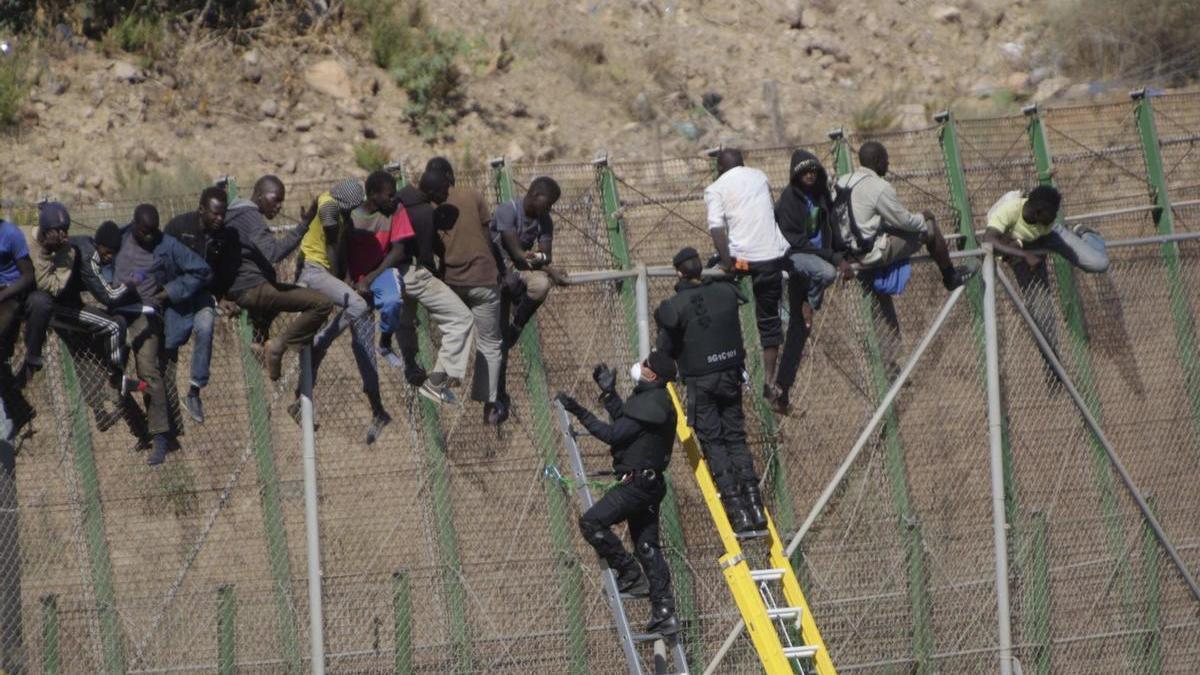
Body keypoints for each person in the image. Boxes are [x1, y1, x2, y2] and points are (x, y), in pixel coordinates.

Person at [556, 351, 681, 637]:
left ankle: (629, 572)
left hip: (636, 487)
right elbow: (627, 425)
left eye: (647, 365)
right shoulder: (654, 403)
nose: (642, 366)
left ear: (654, 376)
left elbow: (613, 434)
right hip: (650, 486)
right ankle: (665, 611)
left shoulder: (653, 404)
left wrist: (577, 410)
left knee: (591, 522)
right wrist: (609, 393)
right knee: (647, 548)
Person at [655, 246, 767, 536]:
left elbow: (665, 350)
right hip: (731, 376)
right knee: (736, 438)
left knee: (715, 444)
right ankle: (755, 506)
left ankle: (737, 511)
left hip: (701, 381)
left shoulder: (675, 306)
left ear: (679, 272)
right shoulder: (726, 292)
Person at [115, 204, 211, 465]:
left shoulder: (167, 245)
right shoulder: (119, 240)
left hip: (147, 318)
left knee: (149, 371)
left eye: (153, 233)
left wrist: (169, 291)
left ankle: (160, 437)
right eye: (144, 232)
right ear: (134, 225)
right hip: (118, 315)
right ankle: (141, 429)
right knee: (111, 375)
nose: (149, 238)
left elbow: (201, 270)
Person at [297, 178, 391, 443]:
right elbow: (332, 248)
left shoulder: (340, 215)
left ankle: (376, 408)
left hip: (338, 283)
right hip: (322, 278)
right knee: (319, 343)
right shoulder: (331, 211)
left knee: (350, 347)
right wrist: (341, 282)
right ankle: (303, 394)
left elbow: (341, 252)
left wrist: (347, 279)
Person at [225, 175, 334, 381]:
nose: (279, 207)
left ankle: (260, 340)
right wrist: (304, 225)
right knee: (322, 303)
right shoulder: (250, 216)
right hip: (251, 289)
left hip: (241, 288)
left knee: (276, 290)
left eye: (282, 202)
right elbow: (274, 253)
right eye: (275, 200)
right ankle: (277, 347)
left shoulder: (233, 214)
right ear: (258, 195)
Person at [424, 157, 507, 425]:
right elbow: (487, 236)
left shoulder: (428, 207)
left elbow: (435, 246)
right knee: (490, 342)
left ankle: (443, 379)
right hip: (484, 278)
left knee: (455, 328)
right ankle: (489, 403)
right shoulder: (473, 195)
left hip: (452, 281)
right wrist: (497, 267)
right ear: (449, 175)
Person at [982, 185, 1109, 356]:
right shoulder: (1010, 210)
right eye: (1053, 213)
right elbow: (988, 240)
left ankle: (1085, 234)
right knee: (1043, 315)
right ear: (1039, 212)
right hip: (1023, 245)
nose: (1056, 216)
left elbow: (1046, 224)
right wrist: (1024, 254)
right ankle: (1054, 370)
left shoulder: (1048, 222)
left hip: (1047, 235)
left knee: (1099, 263)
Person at [704, 149, 789, 397]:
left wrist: (727, 263)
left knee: (712, 274)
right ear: (743, 163)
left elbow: (717, 229)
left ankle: (729, 358)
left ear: (719, 168)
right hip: (772, 259)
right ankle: (769, 382)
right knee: (769, 322)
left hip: (744, 263)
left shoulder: (716, 188)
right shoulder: (760, 177)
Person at [834, 141, 973, 292]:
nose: (888, 162)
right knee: (928, 227)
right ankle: (951, 276)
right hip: (868, 255)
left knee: (891, 230)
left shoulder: (843, 180)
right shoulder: (878, 187)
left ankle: (886, 309)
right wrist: (924, 216)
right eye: (886, 158)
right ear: (877, 161)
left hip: (846, 255)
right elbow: (904, 221)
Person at [770, 149, 843, 415]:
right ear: (795, 175)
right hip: (796, 260)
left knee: (799, 333)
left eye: (813, 170)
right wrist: (832, 258)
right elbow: (796, 241)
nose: (810, 175)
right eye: (804, 171)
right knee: (827, 273)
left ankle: (782, 389)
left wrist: (841, 253)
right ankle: (807, 305)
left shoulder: (821, 195)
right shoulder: (789, 200)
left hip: (817, 259)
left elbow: (832, 229)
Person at [395, 170, 474, 404]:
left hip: (391, 275)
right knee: (461, 319)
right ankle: (437, 381)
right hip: (413, 273)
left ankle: (411, 367)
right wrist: (438, 275)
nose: (446, 196)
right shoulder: (425, 212)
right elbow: (426, 256)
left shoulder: (398, 200)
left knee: (405, 320)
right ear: (431, 191)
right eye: (443, 192)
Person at [164, 186, 239, 424]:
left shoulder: (225, 236)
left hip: (203, 295)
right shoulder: (178, 228)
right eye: (215, 214)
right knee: (170, 343)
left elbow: (226, 271)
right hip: (176, 294)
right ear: (201, 210)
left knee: (206, 325)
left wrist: (224, 296)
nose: (219, 219)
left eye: (223, 214)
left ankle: (195, 390)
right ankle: (165, 399)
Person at [490, 176, 567, 349]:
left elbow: (546, 256)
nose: (550, 208)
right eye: (548, 203)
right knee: (495, 338)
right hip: (495, 265)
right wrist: (543, 264)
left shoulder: (545, 220)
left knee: (541, 285)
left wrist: (546, 266)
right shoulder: (508, 210)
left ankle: (517, 325)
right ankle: (516, 303)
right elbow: (516, 252)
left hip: (518, 266)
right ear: (535, 194)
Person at [0, 215, 36, 439]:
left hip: (12, 295)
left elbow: (28, 276)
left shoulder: (10, 234)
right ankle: (19, 409)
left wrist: (4, 294)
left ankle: (18, 409)